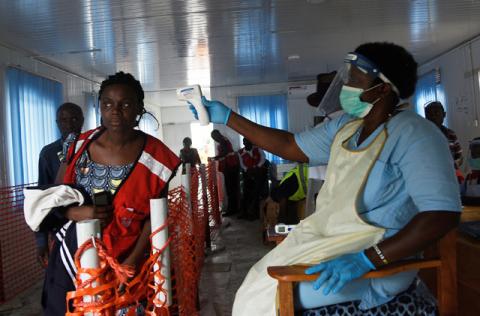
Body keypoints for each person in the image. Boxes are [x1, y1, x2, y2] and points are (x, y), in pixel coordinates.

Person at [189, 42, 461, 315]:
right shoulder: (347, 128)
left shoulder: (416, 134)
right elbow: (289, 145)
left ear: (382, 87)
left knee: (272, 299)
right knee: (255, 288)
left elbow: (441, 215)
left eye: (355, 79)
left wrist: (367, 260)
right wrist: (226, 117)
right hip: (334, 241)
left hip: (377, 259)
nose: (347, 86)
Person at [40, 72, 181, 315]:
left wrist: (132, 262)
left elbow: (156, 217)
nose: (115, 111)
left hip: (127, 259)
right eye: (107, 104)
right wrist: (76, 212)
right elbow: (55, 196)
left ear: (138, 109)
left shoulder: (157, 156)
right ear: (100, 107)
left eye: (125, 104)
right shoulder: (79, 145)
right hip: (74, 257)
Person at [36, 103, 84, 268]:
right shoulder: (48, 153)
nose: (69, 123)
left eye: (74, 118)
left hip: (93, 221)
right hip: (61, 226)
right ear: (57, 123)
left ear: (82, 121)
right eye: (63, 120)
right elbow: (42, 197)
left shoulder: (95, 146)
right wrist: (41, 241)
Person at [425, 101, 463, 168]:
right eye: (429, 114)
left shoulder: (451, 134)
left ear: (444, 114)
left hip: (450, 172)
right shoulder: (422, 135)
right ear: (426, 117)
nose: (433, 117)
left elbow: (459, 156)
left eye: (436, 113)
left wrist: (454, 165)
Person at [210, 129, 240, 216]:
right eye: (213, 138)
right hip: (229, 166)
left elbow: (224, 153)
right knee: (232, 189)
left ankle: (232, 210)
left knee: (231, 189)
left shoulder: (223, 141)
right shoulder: (223, 140)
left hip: (230, 166)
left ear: (218, 135)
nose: (214, 139)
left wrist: (214, 158)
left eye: (214, 137)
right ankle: (234, 209)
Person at [237, 138, 266, 220]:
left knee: (256, 193)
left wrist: (257, 167)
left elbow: (263, 158)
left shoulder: (258, 148)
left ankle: (253, 213)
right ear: (243, 143)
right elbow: (242, 164)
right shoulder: (240, 152)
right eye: (246, 142)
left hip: (258, 173)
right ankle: (244, 212)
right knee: (246, 193)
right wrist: (247, 170)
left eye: (249, 142)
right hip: (247, 173)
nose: (248, 144)